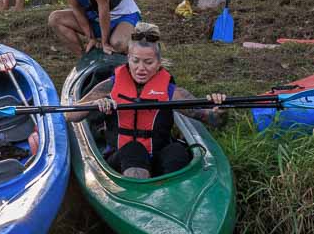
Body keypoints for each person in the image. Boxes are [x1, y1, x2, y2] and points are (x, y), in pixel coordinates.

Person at [75, 27, 227, 178]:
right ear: (128, 58)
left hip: (157, 157)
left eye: (148, 62)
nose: (141, 68)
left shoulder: (171, 92)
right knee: (134, 149)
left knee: (177, 152)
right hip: (121, 159)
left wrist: (219, 109)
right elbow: (71, 115)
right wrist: (96, 103)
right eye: (135, 61)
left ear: (159, 62)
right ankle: (139, 197)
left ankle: (170, 194)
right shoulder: (109, 87)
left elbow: (216, 120)